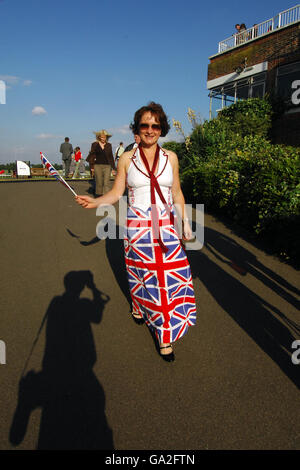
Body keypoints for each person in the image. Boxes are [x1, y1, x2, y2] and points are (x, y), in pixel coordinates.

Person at [76, 102, 197, 362]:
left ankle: (164, 332)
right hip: (139, 226)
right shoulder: (127, 158)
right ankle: (143, 308)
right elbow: (117, 192)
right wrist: (95, 202)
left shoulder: (171, 158)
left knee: (169, 278)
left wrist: (184, 222)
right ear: (137, 128)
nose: (150, 130)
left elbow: (176, 192)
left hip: (165, 224)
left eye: (155, 125)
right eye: (145, 125)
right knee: (143, 273)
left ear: (161, 129)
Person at [89, 130, 116, 196]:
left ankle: (106, 197)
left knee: (106, 182)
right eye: (102, 137)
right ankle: (99, 196)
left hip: (107, 166)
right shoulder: (94, 144)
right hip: (97, 166)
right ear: (99, 137)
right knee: (99, 182)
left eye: (105, 137)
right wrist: (91, 167)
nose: (104, 139)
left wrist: (113, 168)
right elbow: (92, 156)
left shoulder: (109, 145)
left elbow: (111, 157)